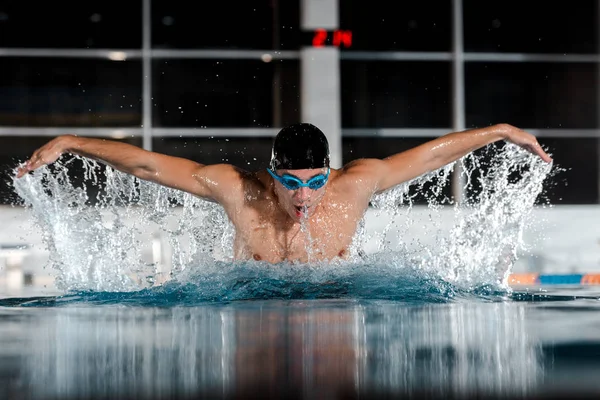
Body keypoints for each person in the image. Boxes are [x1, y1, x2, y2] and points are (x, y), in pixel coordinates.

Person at [16, 123, 552, 263]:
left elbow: (431, 155)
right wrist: (70, 142)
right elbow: (149, 164)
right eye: (290, 184)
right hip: (254, 302)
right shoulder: (237, 190)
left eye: (315, 182)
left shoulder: (355, 184)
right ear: (270, 175)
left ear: (329, 172)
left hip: (338, 300)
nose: (304, 196)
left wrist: (501, 132)